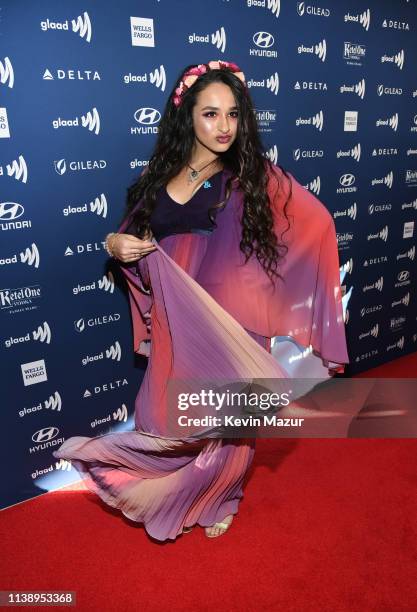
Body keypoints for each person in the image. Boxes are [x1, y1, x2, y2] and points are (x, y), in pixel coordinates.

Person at [53, 60, 349, 541]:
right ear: (187, 115)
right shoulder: (157, 176)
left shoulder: (253, 178)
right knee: (163, 415)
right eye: (211, 113)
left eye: (234, 114)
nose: (225, 126)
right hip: (175, 318)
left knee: (225, 425)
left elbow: (314, 223)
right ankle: (171, 485)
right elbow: (135, 239)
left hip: (228, 322)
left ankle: (221, 497)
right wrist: (115, 245)